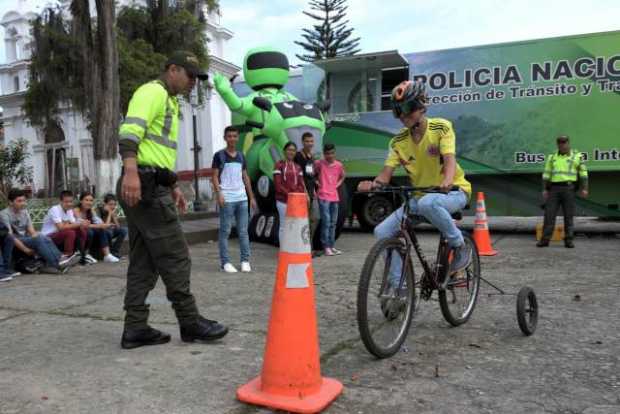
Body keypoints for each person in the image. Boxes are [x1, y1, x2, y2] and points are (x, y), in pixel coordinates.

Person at [118, 50, 228, 349]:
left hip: (153, 184)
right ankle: (190, 322)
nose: (194, 82)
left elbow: (157, 151)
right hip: (144, 185)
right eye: (190, 75)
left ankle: (135, 328)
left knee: (144, 261)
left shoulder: (168, 100)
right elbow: (129, 134)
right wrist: (131, 173)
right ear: (173, 69)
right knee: (176, 256)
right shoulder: (151, 91)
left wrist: (172, 185)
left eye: (196, 77)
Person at [358, 80, 472, 288]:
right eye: (397, 111)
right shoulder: (397, 141)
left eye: (407, 108)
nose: (402, 115)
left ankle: (460, 247)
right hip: (420, 198)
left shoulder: (441, 128)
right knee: (381, 232)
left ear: (422, 105)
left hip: (454, 192)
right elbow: (385, 175)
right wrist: (372, 184)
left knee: (429, 203)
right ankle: (400, 289)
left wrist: (447, 180)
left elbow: (449, 159)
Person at [0, 188, 79, 274]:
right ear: (11, 202)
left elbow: (32, 231)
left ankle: (61, 260)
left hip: (25, 238)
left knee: (41, 236)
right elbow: (10, 236)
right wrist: (25, 249)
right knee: (38, 239)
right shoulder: (4, 214)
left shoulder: (24, 212)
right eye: (19, 201)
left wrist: (38, 236)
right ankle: (58, 263)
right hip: (14, 241)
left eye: (24, 201)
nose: (23, 203)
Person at [212, 126, 257, 273]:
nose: (232, 139)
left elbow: (245, 177)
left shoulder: (241, 156)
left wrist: (251, 197)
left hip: (242, 198)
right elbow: (214, 176)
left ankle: (245, 260)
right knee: (225, 231)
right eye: (229, 136)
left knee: (243, 231)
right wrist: (219, 193)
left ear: (237, 138)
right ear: (225, 138)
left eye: (234, 136)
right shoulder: (219, 156)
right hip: (227, 198)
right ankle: (225, 262)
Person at [537, 135, 588, 248]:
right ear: (557, 144)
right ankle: (545, 240)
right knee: (549, 215)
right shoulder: (552, 157)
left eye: (564, 142)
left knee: (568, 216)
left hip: (569, 189)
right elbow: (546, 174)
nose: (562, 145)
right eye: (560, 143)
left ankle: (569, 240)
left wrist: (584, 188)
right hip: (554, 189)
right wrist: (545, 189)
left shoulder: (577, 156)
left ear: (568, 143)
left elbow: (583, 173)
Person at [40, 190, 92, 265]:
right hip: (48, 236)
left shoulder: (69, 210)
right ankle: (67, 256)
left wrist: (83, 224)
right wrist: (79, 224)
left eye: (71, 202)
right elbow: (61, 227)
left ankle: (81, 255)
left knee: (81, 230)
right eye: (66, 202)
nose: (69, 204)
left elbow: (74, 223)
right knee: (70, 232)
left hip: (59, 235)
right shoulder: (55, 209)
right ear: (60, 201)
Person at [315, 143, 345, 256]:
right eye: (327, 153)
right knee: (326, 222)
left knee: (333, 223)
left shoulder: (339, 165)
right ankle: (326, 247)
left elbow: (342, 176)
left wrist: (336, 185)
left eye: (332, 153)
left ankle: (331, 246)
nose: (330, 155)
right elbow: (312, 174)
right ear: (324, 154)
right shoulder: (319, 163)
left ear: (334, 152)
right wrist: (318, 184)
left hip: (334, 197)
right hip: (323, 196)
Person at [74, 192, 120, 263]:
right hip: (78, 233)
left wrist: (104, 224)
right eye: (86, 200)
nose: (89, 202)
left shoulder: (91, 211)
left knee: (102, 230)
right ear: (81, 201)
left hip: (89, 232)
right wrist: (101, 225)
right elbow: (82, 224)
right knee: (91, 231)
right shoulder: (76, 210)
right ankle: (85, 254)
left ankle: (107, 255)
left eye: (91, 200)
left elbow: (100, 223)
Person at [274, 142, 306, 242]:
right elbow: (278, 185)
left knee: (294, 225)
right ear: (284, 151)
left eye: (293, 150)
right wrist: (290, 195)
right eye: (289, 150)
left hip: (295, 201)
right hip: (282, 201)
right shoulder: (279, 165)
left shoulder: (298, 167)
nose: (291, 152)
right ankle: (283, 250)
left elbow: (301, 184)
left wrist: (296, 196)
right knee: (284, 225)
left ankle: (292, 250)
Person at [294, 132, 320, 246]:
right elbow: (299, 176)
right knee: (303, 220)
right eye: (307, 141)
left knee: (314, 219)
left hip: (310, 191)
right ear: (302, 142)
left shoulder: (311, 156)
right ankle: (302, 246)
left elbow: (311, 175)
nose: (309, 143)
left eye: (311, 141)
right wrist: (305, 193)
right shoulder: (298, 156)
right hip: (301, 192)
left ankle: (307, 246)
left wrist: (313, 190)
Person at [97, 194, 128, 258]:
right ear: (105, 204)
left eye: (114, 204)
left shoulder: (112, 211)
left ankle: (114, 251)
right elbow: (105, 226)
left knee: (124, 230)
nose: (113, 206)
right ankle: (108, 253)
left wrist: (113, 216)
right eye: (110, 204)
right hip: (101, 232)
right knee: (109, 232)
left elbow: (118, 227)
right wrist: (109, 214)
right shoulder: (99, 211)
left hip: (110, 231)